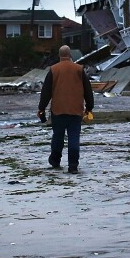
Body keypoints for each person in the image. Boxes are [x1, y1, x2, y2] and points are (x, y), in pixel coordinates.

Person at [38, 45, 94, 174]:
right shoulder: (79, 69)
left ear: (59, 56)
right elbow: (88, 91)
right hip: (76, 110)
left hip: (58, 110)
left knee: (58, 136)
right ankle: (73, 165)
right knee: (74, 137)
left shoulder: (53, 70)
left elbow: (46, 93)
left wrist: (41, 109)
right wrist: (89, 108)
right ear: (70, 55)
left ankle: (55, 160)